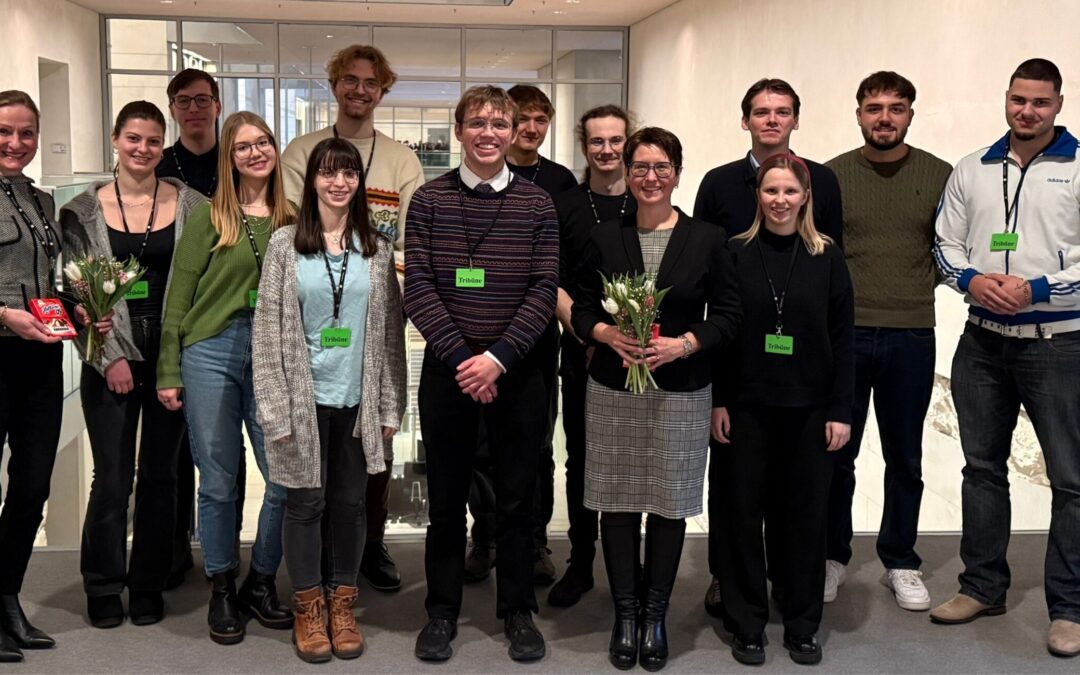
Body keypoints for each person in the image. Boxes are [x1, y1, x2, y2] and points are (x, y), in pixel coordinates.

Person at [572, 127, 740, 671]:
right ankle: (625, 613)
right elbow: (578, 306)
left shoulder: (708, 238)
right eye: (639, 167)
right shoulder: (604, 237)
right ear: (626, 171)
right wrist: (605, 335)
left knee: (668, 503)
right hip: (614, 388)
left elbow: (730, 317)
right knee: (617, 503)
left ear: (677, 172)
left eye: (660, 167)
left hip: (682, 390)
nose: (649, 177)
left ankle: (655, 614)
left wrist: (685, 344)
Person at [931, 58, 1080, 658]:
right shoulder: (974, 168)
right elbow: (945, 242)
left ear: (1059, 105)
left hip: (1059, 347)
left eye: (1040, 103)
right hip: (983, 343)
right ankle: (983, 586)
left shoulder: (1076, 167)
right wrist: (970, 280)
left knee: (1071, 481)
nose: (1028, 111)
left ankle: (1068, 609)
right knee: (982, 470)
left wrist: (1038, 289)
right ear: (1007, 100)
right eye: (1019, 99)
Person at [405, 85, 558, 663]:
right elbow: (418, 285)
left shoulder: (537, 204)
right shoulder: (429, 201)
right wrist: (464, 359)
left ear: (513, 128)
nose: (489, 133)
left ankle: (517, 608)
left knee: (517, 499)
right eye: (478, 122)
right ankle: (441, 612)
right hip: (448, 372)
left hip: (516, 373)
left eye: (500, 122)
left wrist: (496, 359)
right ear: (459, 129)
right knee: (444, 501)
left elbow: (544, 289)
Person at [693, 76, 844, 618]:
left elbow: (833, 298)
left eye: (782, 111)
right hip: (743, 373)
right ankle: (728, 581)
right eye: (761, 111)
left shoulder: (823, 184)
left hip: (805, 378)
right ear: (746, 120)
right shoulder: (718, 184)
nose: (772, 119)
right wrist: (717, 392)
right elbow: (702, 277)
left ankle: (793, 590)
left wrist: (837, 401)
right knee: (736, 495)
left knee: (798, 500)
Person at [253, 138, 406, 663]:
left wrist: (389, 408)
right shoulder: (283, 246)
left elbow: (390, 337)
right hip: (304, 401)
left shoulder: (378, 249)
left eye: (349, 174)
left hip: (358, 403)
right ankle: (308, 606)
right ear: (312, 179)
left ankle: (343, 603)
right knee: (304, 504)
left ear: (360, 183)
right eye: (328, 173)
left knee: (350, 504)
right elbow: (267, 333)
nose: (339, 183)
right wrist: (274, 409)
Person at [281, 44, 424, 592]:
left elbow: (409, 241)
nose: (359, 90)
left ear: (382, 90)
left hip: (372, 310)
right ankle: (316, 560)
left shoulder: (401, 161)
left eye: (371, 82)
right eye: (350, 80)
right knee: (315, 451)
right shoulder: (302, 151)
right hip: (316, 312)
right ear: (334, 85)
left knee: (373, 445)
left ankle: (371, 546)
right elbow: (291, 232)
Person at [60, 101, 205, 629]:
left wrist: (177, 359)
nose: (142, 149)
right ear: (116, 140)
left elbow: (200, 284)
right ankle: (102, 582)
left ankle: (149, 581)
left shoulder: (193, 204)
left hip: (172, 359)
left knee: (163, 477)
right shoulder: (80, 211)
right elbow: (77, 293)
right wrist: (109, 356)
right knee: (113, 478)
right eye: (132, 139)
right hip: (109, 363)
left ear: (161, 144)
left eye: (151, 140)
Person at [157, 111, 296, 645]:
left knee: (285, 476)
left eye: (263, 142)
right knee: (217, 481)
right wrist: (169, 367)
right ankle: (221, 584)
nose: (255, 153)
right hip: (210, 350)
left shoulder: (292, 217)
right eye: (243, 147)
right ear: (229, 157)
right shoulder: (210, 217)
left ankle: (260, 579)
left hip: (272, 357)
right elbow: (178, 298)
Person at [715, 153, 853, 667]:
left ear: (806, 197)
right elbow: (724, 337)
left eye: (790, 192)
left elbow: (843, 339)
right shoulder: (734, 252)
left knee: (803, 520)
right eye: (771, 191)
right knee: (742, 517)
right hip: (746, 407)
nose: (780, 201)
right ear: (758, 196)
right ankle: (747, 622)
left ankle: (801, 623)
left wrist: (841, 409)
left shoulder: (828, 256)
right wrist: (719, 401)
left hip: (811, 410)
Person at [822, 72, 952, 610]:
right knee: (836, 454)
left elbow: (952, 250)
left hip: (911, 334)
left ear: (911, 114)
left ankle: (901, 559)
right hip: (845, 337)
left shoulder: (941, 175)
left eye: (896, 108)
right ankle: (831, 555)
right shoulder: (830, 176)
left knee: (906, 456)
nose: (884, 118)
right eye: (874, 108)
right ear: (857, 114)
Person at [0, 90, 110, 663]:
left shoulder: (44, 203)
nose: (16, 143)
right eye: (4, 132)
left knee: (33, 484)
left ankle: (7, 597)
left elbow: (57, 282)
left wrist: (83, 306)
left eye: (26, 133)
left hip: (41, 359)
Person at [464, 84, 577, 587]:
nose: (530, 128)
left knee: (536, 447)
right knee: (481, 446)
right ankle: (484, 535)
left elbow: (557, 268)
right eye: (522, 118)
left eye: (539, 119)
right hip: (475, 341)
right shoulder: (466, 184)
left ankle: (533, 539)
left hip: (534, 336)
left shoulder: (559, 183)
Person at [547, 104, 638, 608]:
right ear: (585, 147)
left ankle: (632, 565)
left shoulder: (646, 201)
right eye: (597, 141)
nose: (607, 149)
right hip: (582, 352)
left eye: (617, 140)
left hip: (642, 359)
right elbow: (552, 280)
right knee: (581, 460)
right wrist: (588, 332)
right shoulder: (565, 204)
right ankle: (580, 564)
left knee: (634, 462)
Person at [155, 68, 227, 591]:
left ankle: (224, 550)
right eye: (184, 101)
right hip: (176, 312)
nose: (195, 109)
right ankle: (174, 546)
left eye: (203, 100)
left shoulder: (240, 161)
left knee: (224, 449)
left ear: (218, 105)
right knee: (172, 449)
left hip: (225, 316)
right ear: (174, 108)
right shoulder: (159, 165)